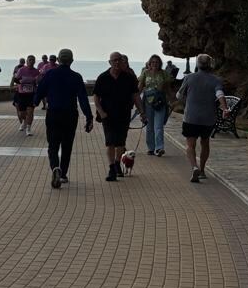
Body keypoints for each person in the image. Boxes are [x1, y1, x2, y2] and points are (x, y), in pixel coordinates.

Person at [34, 48, 94, 187]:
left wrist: (35, 101)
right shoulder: (76, 77)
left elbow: (40, 91)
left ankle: (55, 168)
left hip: (53, 113)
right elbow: (83, 99)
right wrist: (89, 117)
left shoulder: (50, 74)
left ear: (59, 60)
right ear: (72, 61)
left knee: (53, 145)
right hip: (70, 115)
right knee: (67, 146)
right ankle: (64, 174)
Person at [175, 53, 227, 184]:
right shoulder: (216, 80)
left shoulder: (189, 78)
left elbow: (179, 95)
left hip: (191, 117)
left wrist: (185, 100)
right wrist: (225, 108)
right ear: (210, 65)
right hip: (208, 118)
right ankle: (202, 170)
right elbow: (220, 94)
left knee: (190, 145)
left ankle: (194, 167)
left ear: (198, 64)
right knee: (205, 143)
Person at [93, 52, 142, 182]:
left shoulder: (129, 78)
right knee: (110, 142)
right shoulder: (103, 77)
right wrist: (101, 111)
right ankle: (111, 169)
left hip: (124, 114)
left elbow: (135, 95)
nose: (117, 63)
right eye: (114, 60)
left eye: (119, 60)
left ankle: (116, 164)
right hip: (107, 115)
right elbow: (96, 96)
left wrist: (142, 111)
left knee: (120, 142)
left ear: (123, 61)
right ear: (109, 62)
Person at [137, 54, 173, 156]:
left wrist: (172, 100)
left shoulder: (164, 74)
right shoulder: (145, 73)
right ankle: (151, 148)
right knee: (149, 126)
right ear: (149, 63)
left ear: (160, 63)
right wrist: (135, 100)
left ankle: (159, 148)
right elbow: (139, 88)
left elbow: (168, 88)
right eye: (152, 62)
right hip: (148, 102)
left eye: (157, 62)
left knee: (159, 126)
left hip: (160, 102)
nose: (154, 64)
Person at [11, 54, 40, 135]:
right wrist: (20, 82)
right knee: (22, 113)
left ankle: (28, 129)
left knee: (30, 112)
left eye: (33, 60)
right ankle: (24, 121)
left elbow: (38, 82)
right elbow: (16, 79)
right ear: (27, 61)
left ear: (34, 61)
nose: (31, 61)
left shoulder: (36, 71)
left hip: (31, 94)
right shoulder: (21, 70)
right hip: (22, 94)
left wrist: (37, 81)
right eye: (30, 60)